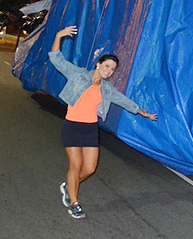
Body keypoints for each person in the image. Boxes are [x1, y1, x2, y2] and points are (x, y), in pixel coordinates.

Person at [49, 26, 157, 219]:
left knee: (89, 168)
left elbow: (123, 100)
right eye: (107, 66)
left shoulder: (107, 89)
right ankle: (74, 203)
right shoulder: (78, 74)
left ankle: (68, 186)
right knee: (76, 165)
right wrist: (58, 36)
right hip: (72, 125)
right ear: (98, 64)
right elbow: (57, 59)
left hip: (90, 129)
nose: (109, 71)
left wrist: (142, 113)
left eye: (113, 69)